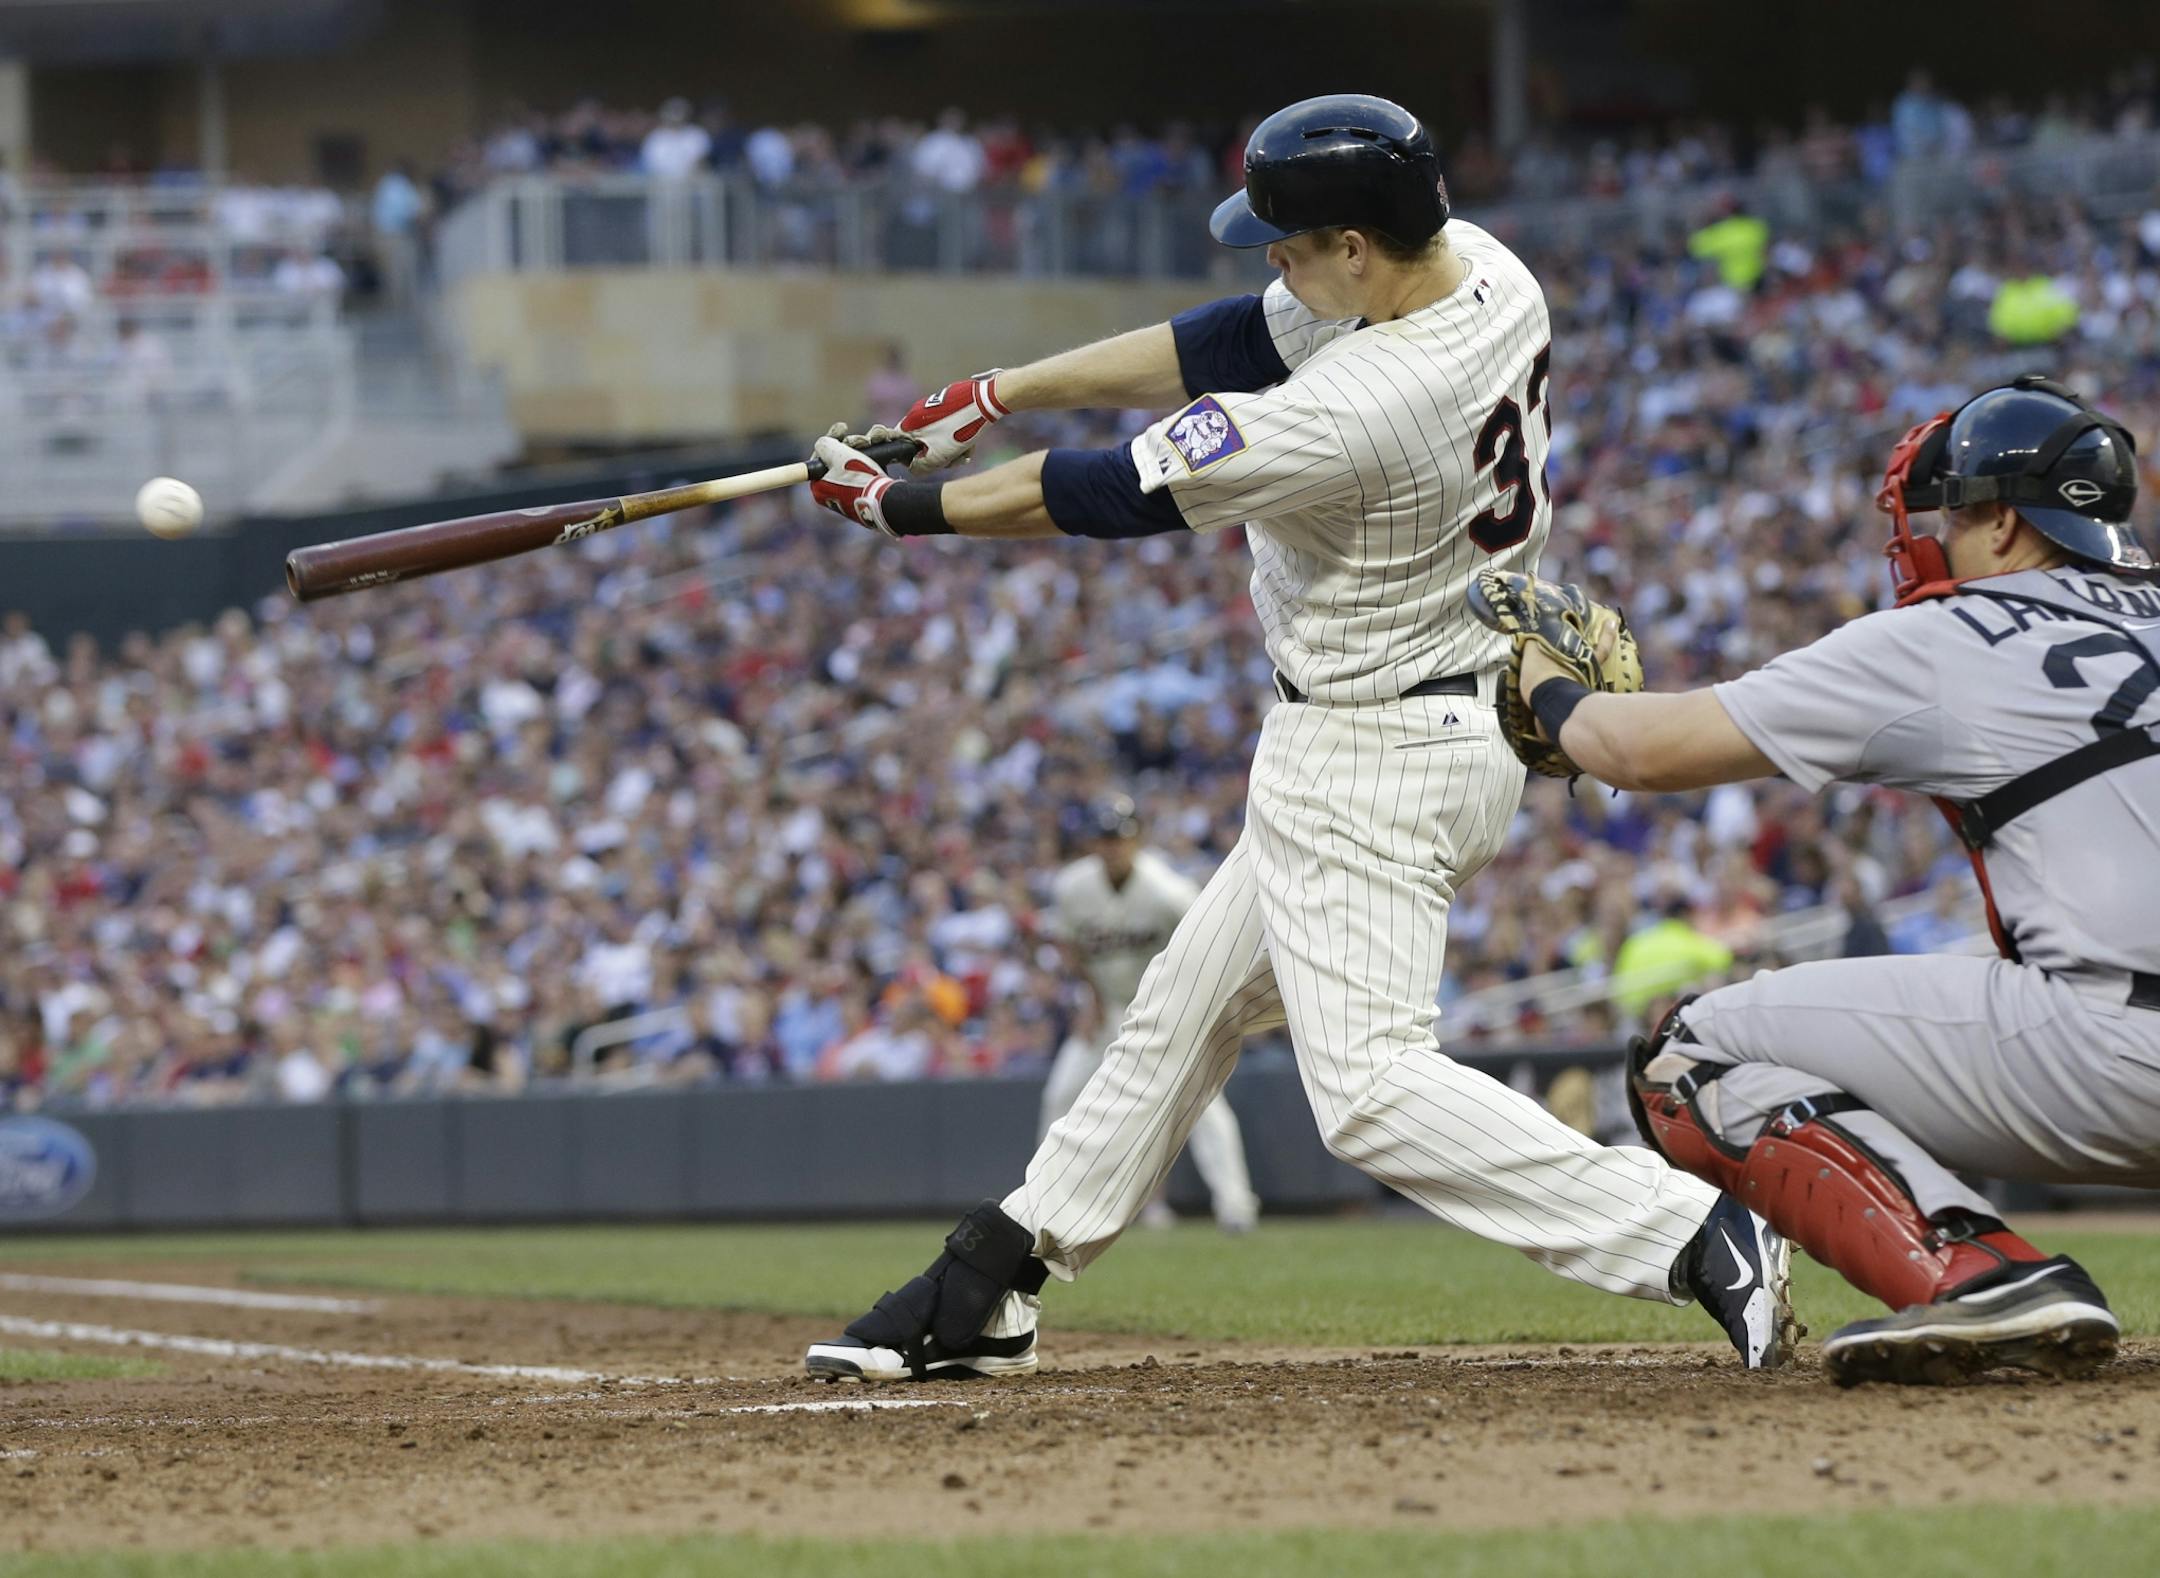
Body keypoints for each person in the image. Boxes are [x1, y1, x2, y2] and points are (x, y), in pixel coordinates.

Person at [796, 93, 1791, 1384]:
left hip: (1371, 748)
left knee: (1371, 1088)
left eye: (1291, 242)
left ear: (1359, 249)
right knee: (1181, 1011)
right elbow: (1223, 340)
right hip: (1446, 712)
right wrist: (997, 390)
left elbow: (1103, 490)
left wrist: (900, 506)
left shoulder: (1361, 401)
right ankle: (995, 1274)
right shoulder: (1484, 266)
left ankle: (1691, 1229)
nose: (1273, 261)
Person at [1506, 375, 2158, 1386]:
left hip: (2123, 1053)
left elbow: (1640, 751)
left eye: (1953, 512)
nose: (1934, 535)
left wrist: (1546, 682)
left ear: (1999, 522)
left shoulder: (1953, 638)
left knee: (1694, 1052)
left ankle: (1978, 1273)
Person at [1041, 794, 1258, 1233]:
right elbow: (1066, 942)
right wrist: (1090, 997)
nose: (1112, 847)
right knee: (1062, 1094)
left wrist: (1198, 1007)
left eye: (1120, 838)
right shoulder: (1072, 886)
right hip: (1109, 1007)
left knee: (1201, 1103)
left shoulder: (1166, 890)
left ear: (1137, 839)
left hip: (1163, 1010)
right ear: (1093, 843)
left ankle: (1236, 1206)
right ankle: (1047, 1204)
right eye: (1104, 839)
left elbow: (1214, 938)